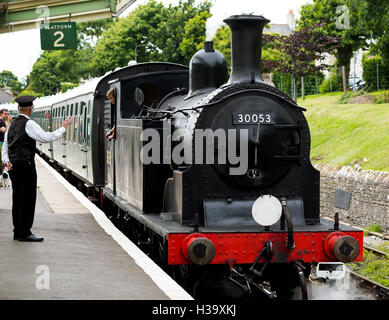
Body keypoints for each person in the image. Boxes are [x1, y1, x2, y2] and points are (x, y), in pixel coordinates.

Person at [2, 96, 72, 242]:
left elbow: (6, 144)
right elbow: (45, 137)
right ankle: (25, 232)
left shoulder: (12, 124)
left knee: (18, 198)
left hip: (13, 166)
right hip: (26, 166)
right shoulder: (30, 123)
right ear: (30, 109)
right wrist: (63, 128)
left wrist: (6, 161)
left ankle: (18, 231)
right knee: (28, 198)